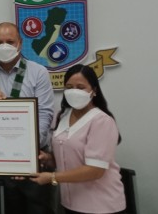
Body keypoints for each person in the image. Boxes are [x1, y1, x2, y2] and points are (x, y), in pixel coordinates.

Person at [0, 22, 55, 214]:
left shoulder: (38, 73)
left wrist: (26, 154)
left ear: (20, 43)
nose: (4, 46)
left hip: (34, 163)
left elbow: (45, 115)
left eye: (10, 41)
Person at [30, 64, 126, 214]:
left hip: (101, 206)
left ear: (93, 91)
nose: (74, 91)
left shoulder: (101, 121)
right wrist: (47, 158)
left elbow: (95, 170)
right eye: (69, 87)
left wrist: (52, 177)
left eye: (80, 87)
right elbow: (66, 156)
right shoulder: (61, 116)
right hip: (70, 204)